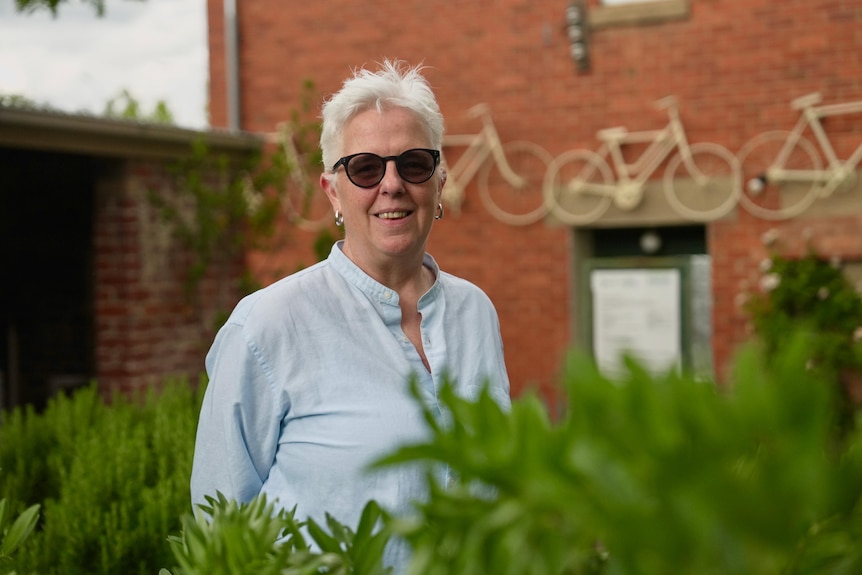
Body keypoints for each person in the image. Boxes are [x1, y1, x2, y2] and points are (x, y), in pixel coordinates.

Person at [190, 59, 511, 572]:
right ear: (332, 192)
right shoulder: (267, 326)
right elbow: (221, 529)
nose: (392, 184)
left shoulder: (476, 312)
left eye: (413, 164)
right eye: (365, 167)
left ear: (439, 180)